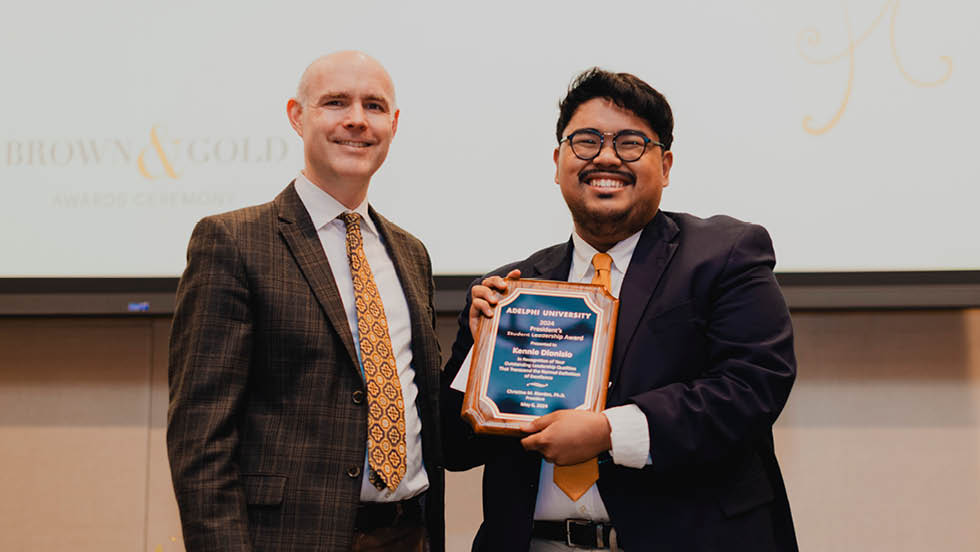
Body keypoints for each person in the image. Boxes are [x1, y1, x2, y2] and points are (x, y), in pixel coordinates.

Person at [441, 68, 798, 551]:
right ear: (557, 160)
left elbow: (752, 388)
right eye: (586, 140)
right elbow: (454, 448)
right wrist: (479, 354)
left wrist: (610, 431)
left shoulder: (725, 254)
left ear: (666, 166)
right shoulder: (514, 288)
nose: (606, 156)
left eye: (631, 143)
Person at [168, 51, 444, 552]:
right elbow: (199, 439)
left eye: (374, 106)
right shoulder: (233, 241)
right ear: (297, 115)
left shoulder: (410, 253)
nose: (357, 120)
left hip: (410, 534)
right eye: (336, 102)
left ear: (394, 124)